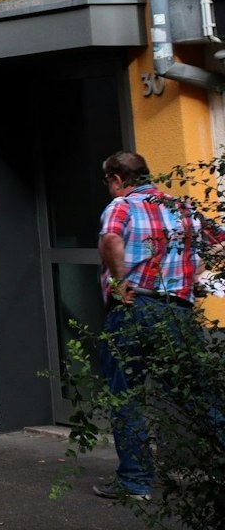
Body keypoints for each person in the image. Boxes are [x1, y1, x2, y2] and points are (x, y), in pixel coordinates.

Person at [93, 149, 223, 502]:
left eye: (107, 181)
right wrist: (195, 276)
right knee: (200, 396)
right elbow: (219, 241)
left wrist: (120, 283)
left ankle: (135, 483)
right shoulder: (183, 208)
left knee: (127, 395)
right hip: (178, 312)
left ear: (118, 179)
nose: (109, 187)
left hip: (136, 309)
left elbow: (110, 240)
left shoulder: (122, 205)